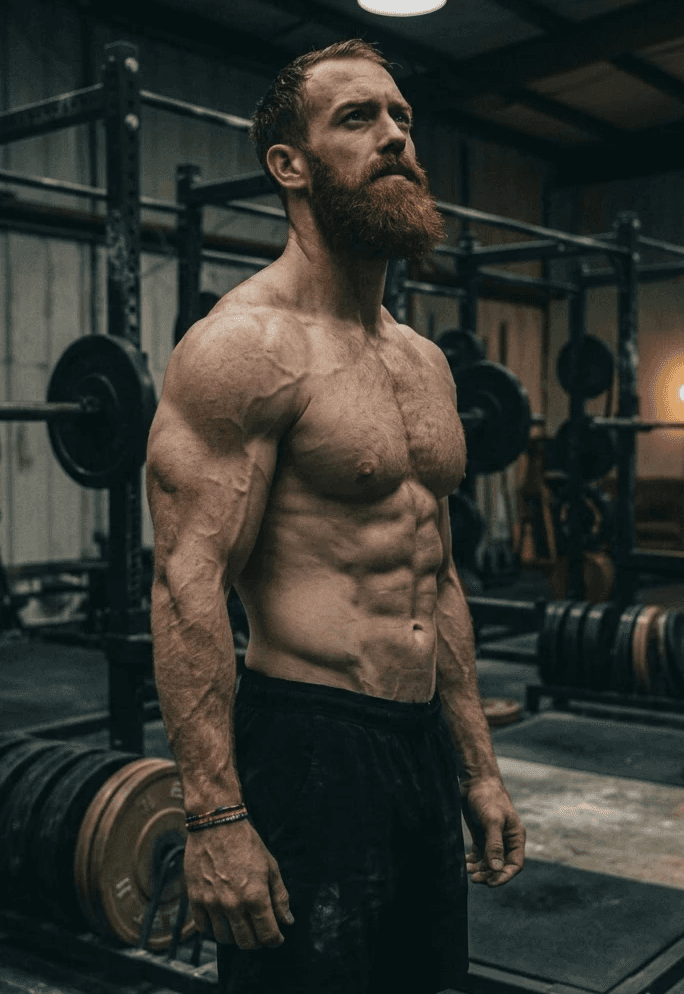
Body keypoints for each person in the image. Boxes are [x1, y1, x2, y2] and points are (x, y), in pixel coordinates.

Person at [146, 38, 526, 994]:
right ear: (291, 165)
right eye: (357, 119)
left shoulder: (422, 362)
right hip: (307, 745)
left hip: (419, 747)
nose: (394, 136)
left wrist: (476, 765)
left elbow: (436, 572)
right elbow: (186, 586)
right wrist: (215, 819)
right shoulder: (244, 346)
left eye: (400, 117)